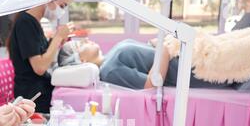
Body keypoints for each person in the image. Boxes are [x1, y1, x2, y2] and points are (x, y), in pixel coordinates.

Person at [57, 38, 234, 90]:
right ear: (81, 61)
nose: (86, 40)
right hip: (193, 70)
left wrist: (156, 43)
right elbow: (151, 84)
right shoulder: (109, 71)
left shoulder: (110, 55)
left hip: (188, 55)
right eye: (81, 45)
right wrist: (163, 49)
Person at [7, 0, 74, 113]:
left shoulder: (34, 22)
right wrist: (58, 37)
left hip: (39, 88)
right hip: (33, 94)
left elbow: (42, 54)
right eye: (62, 5)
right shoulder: (26, 22)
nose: (62, 11)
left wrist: (56, 41)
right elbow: (40, 67)